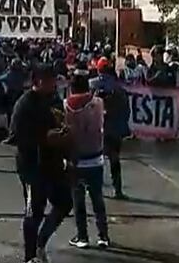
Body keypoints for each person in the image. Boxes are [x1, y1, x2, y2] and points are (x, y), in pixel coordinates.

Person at [9, 63, 72, 263]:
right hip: (32, 167)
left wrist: (64, 140)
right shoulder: (24, 104)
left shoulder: (54, 101)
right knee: (34, 211)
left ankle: (40, 243)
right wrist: (44, 137)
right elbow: (16, 136)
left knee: (64, 202)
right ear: (38, 82)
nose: (54, 84)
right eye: (50, 80)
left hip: (53, 164)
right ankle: (30, 257)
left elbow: (61, 124)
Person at [64, 71, 110, 249]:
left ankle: (82, 236)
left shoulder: (66, 105)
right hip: (96, 158)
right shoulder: (98, 103)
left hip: (76, 160)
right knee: (98, 198)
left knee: (78, 199)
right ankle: (103, 236)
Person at [91, 57, 130, 199]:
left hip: (96, 129)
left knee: (96, 160)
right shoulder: (119, 88)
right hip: (114, 129)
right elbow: (126, 110)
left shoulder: (92, 85)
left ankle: (96, 189)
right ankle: (117, 190)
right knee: (114, 159)